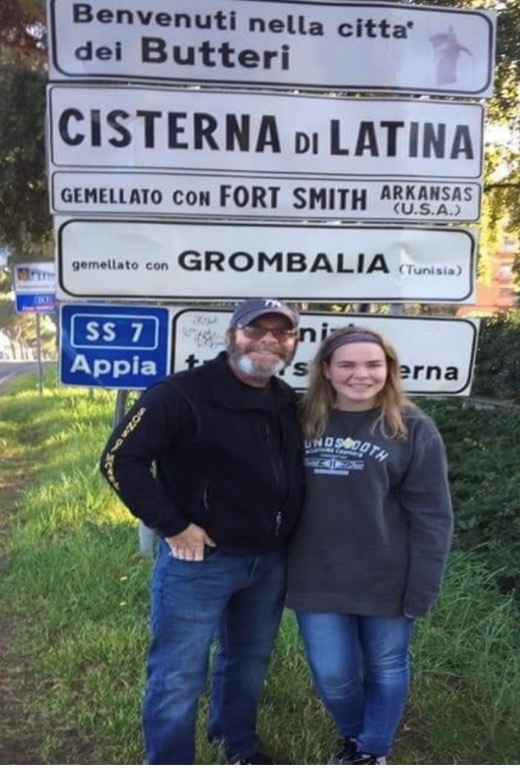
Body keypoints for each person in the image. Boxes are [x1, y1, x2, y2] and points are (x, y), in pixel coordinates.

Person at [100, 299, 304, 765]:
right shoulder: (179, 393)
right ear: (232, 335)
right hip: (199, 562)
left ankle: (237, 744)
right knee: (178, 673)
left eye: (282, 332)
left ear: (293, 343)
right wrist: (173, 525)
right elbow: (118, 460)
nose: (269, 339)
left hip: (269, 561)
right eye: (257, 329)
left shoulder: (286, 401)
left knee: (247, 664)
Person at [286, 326, 453, 765]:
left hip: (387, 575)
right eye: (347, 364)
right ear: (326, 369)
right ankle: (356, 733)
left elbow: (432, 515)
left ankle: (370, 750)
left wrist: (425, 584)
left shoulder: (412, 427)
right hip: (314, 572)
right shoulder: (300, 419)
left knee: (386, 666)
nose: (361, 374)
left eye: (373, 364)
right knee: (335, 673)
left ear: (389, 370)